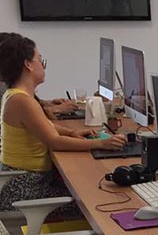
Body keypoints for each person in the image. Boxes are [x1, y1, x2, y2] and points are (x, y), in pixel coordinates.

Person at [0, 34, 125, 218]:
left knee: (90, 186)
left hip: (29, 182)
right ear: (28, 65)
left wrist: (73, 132)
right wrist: (101, 143)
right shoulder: (21, 100)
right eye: (40, 60)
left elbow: (45, 125)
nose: (43, 65)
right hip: (25, 190)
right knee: (99, 201)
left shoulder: (17, 95)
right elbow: (54, 141)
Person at [0, 32, 78, 117]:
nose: (43, 66)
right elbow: (21, 111)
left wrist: (46, 103)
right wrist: (56, 109)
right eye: (40, 60)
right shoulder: (10, 89)